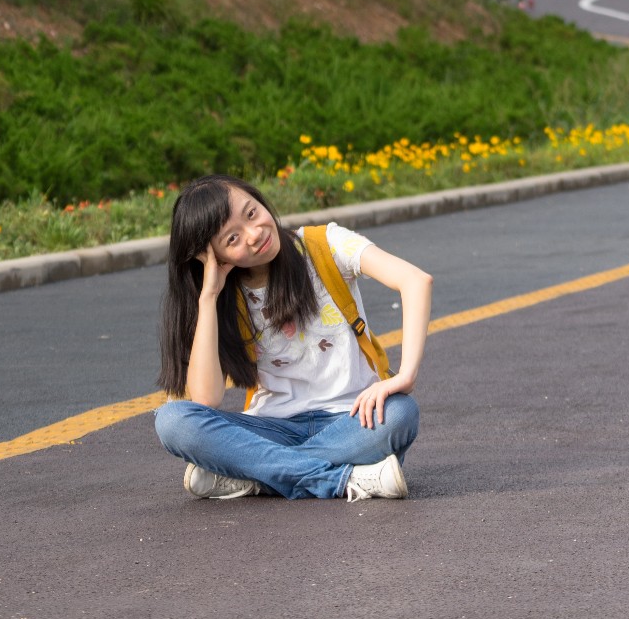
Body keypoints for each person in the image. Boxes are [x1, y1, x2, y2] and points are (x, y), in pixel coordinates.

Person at [154, 174, 432, 502]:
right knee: (172, 420)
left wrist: (405, 376)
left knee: (400, 413)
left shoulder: (325, 245)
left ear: (259, 200)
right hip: (272, 429)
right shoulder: (225, 298)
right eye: (232, 239)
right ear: (213, 256)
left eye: (252, 213)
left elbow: (415, 280)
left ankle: (256, 476)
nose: (254, 234)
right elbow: (206, 400)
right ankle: (342, 480)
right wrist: (208, 296)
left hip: (353, 419)